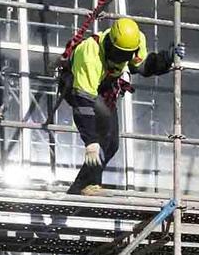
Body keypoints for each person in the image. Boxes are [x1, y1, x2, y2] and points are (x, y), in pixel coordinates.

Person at [63, 15, 184, 193]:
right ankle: (87, 185)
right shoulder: (90, 54)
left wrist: (167, 59)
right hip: (78, 86)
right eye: (119, 54)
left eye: (126, 55)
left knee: (111, 144)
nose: (122, 59)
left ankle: (83, 185)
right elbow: (83, 103)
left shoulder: (136, 42)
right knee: (101, 132)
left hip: (104, 87)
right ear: (110, 45)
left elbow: (142, 66)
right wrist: (90, 141)